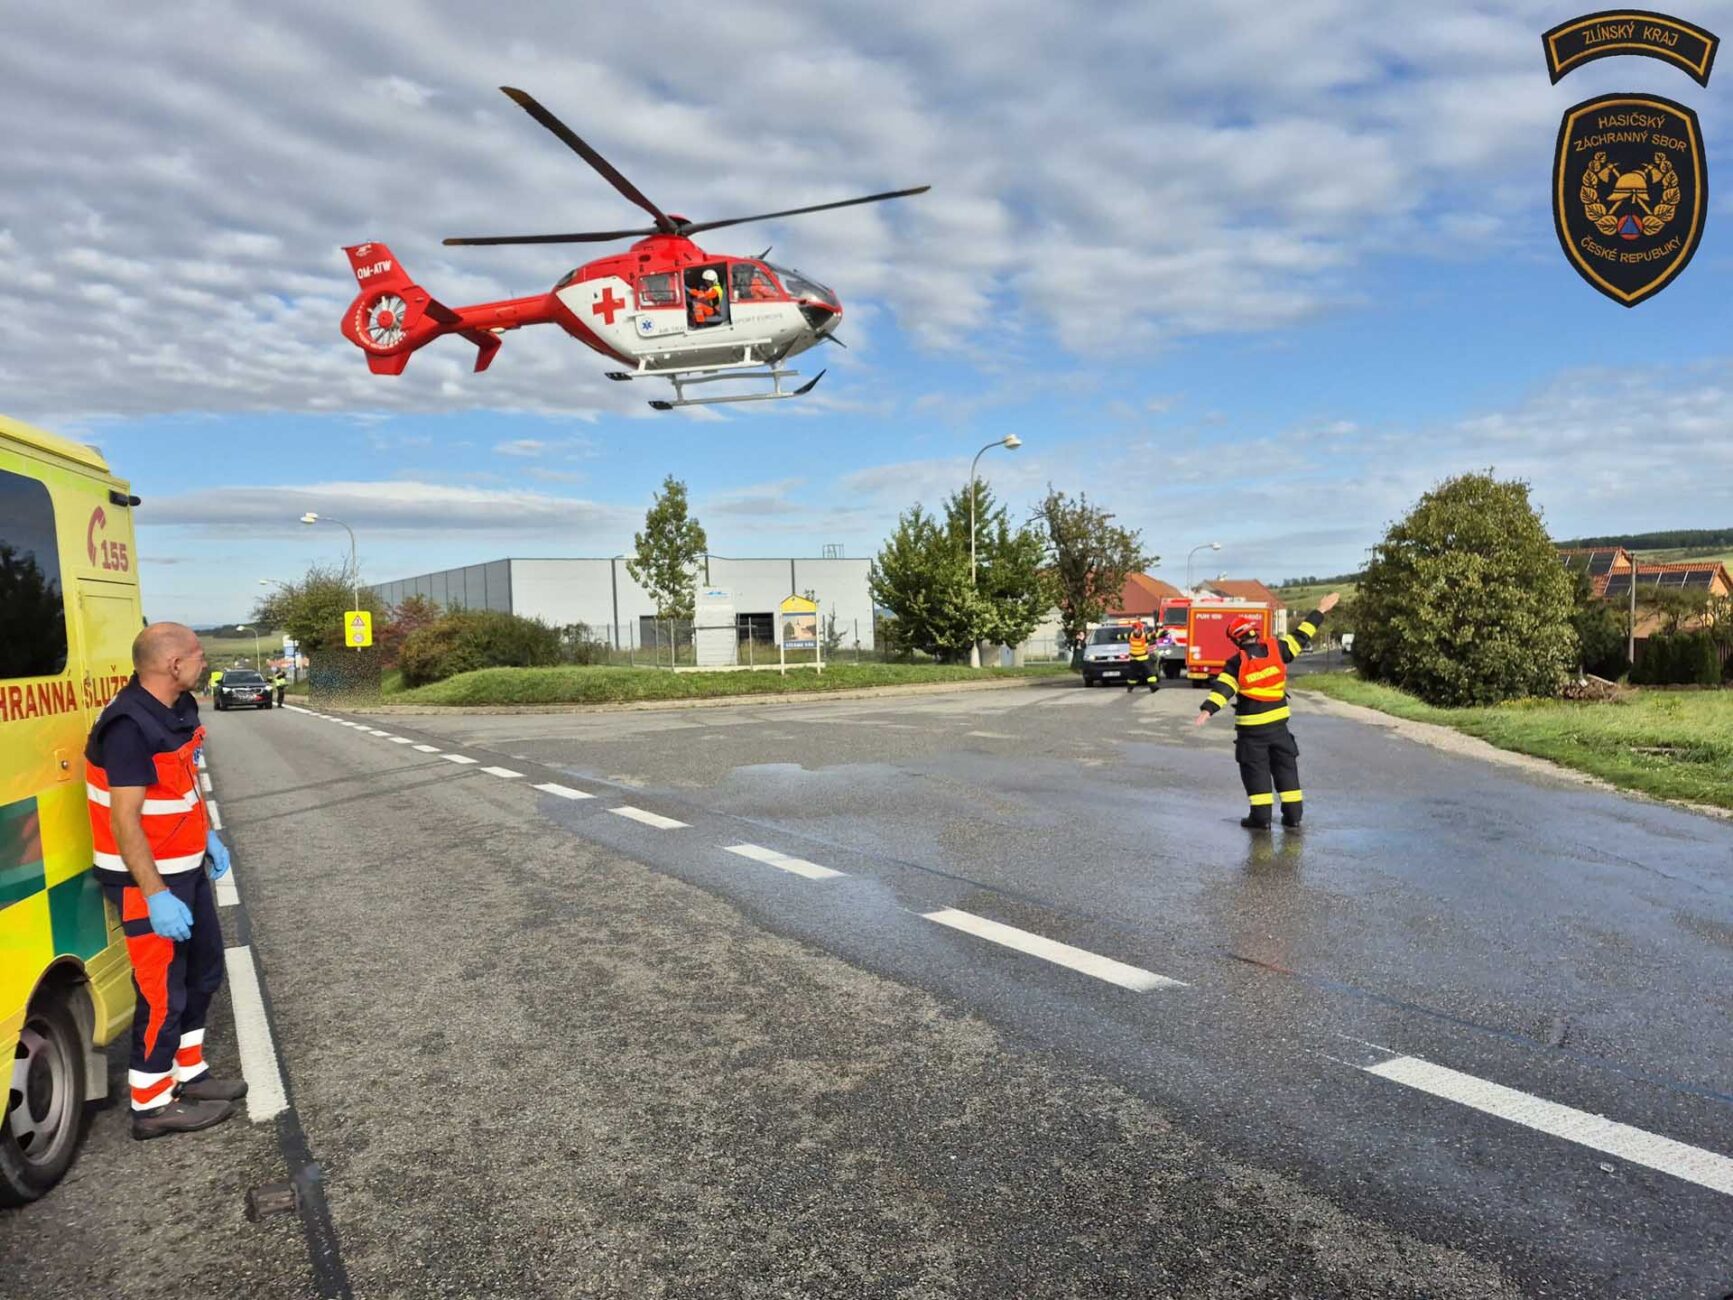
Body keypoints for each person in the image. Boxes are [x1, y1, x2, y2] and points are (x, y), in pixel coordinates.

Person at [86, 623, 247, 1139]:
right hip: (146, 881)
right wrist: (154, 893)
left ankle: (188, 1072)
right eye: (199, 656)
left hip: (187, 865)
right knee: (161, 993)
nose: (206, 663)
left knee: (204, 972)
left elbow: (187, 778)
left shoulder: (181, 708)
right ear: (174, 665)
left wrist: (208, 838)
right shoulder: (128, 725)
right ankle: (152, 1105)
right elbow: (125, 819)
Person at [1192, 593, 1339, 830]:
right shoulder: (1278, 649)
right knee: (1286, 770)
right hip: (1279, 729)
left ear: (1236, 640)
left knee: (1256, 772)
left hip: (1252, 734)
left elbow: (1224, 689)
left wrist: (1207, 710)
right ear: (1255, 633)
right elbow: (1303, 634)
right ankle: (1293, 816)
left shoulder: (1236, 662)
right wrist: (1321, 609)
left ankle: (1261, 819)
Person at [1125, 620, 1159, 694]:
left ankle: (1153, 687)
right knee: (1132, 676)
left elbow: (1153, 636)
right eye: (1134, 629)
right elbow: (1123, 636)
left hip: (1144, 658)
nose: (1136, 631)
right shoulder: (1129, 635)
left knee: (1150, 673)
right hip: (1134, 659)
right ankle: (1130, 687)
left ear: (1140, 629)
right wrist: (1116, 637)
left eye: (1137, 629)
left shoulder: (1145, 636)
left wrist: (1161, 634)